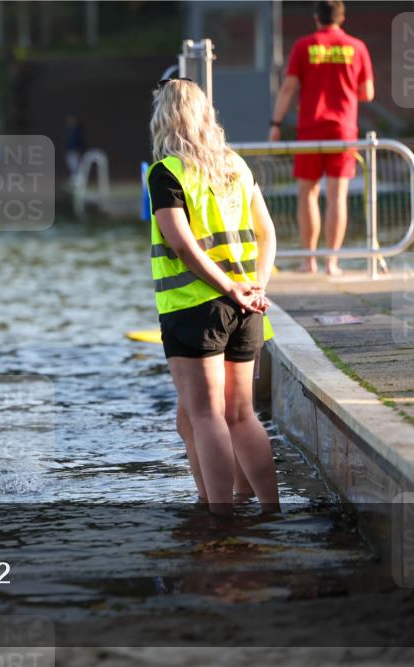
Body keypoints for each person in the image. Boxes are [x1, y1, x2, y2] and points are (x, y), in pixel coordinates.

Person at [148, 78, 279, 514]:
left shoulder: (166, 172)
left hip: (195, 308)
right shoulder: (235, 165)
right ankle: (269, 508)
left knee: (207, 415)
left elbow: (183, 246)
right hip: (246, 307)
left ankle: (220, 519)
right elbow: (267, 233)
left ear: (164, 118)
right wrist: (254, 288)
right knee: (241, 415)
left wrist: (228, 288)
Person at [269, 0, 374, 275]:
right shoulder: (357, 47)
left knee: (308, 194)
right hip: (343, 129)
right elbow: (368, 93)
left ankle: (309, 260)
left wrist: (276, 124)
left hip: (310, 129)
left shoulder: (304, 46)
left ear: (317, 18)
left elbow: (288, 87)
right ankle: (332, 262)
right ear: (342, 18)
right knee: (338, 196)